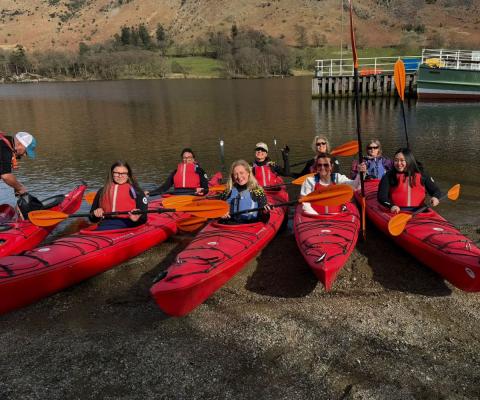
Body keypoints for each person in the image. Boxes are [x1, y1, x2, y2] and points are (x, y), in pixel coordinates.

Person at [377, 148, 441, 214]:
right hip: (397, 211)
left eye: (402, 160)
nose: (398, 163)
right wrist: (391, 206)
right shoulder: (388, 175)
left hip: (420, 211)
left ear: (409, 161)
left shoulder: (422, 175)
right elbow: (381, 197)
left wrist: (435, 197)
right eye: (396, 160)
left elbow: (436, 191)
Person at [300, 153, 366, 215]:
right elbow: (305, 203)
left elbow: (355, 186)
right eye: (319, 165)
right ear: (316, 167)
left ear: (331, 166)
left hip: (336, 216)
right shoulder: (310, 181)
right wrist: (316, 216)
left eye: (326, 165)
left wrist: (360, 174)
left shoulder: (337, 178)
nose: (322, 168)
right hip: (315, 217)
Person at [89, 161, 148, 231]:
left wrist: (138, 219)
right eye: (116, 173)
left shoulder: (137, 191)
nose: (120, 176)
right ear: (112, 174)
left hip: (129, 224)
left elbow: (144, 218)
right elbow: (92, 218)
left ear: (128, 175)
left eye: (124, 173)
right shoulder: (102, 191)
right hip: (105, 223)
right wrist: (96, 214)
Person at [220, 160, 270, 224]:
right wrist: (221, 215)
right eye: (236, 174)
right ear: (232, 176)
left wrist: (266, 211)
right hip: (229, 225)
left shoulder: (257, 190)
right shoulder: (227, 191)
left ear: (248, 173)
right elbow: (219, 211)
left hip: (251, 226)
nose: (239, 177)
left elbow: (264, 216)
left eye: (241, 173)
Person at [0, 131, 37, 196]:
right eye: (26, 151)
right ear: (20, 144)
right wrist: (20, 188)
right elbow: (6, 176)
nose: (25, 155)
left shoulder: (4, 143)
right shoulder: (4, 148)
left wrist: (15, 185)